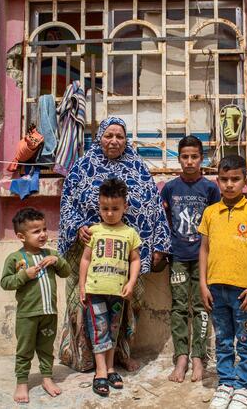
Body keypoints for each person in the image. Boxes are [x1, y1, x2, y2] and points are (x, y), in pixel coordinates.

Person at [58, 116, 171, 373]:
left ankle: (121, 354)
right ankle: (85, 356)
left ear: (126, 140)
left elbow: (154, 207)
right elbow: (67, 205)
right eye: (109, 135)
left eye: (120, 136)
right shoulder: (82, 167)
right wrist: (78, 227)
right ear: (99, 138)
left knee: (126, 303)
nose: (114, 141)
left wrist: (159, 245)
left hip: (128, 250)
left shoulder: (138, 168)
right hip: (91, 251)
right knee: (87, 303)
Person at [199, 155, 247, 409]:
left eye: (235, 179)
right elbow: (204, 250)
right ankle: (226, 383)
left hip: (243, 291)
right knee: (222, 339)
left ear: (245, 180)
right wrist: (203, 284)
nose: (229, 184)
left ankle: (244, 387)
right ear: (217, 180)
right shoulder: (210, 213)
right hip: (215, 289)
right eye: (224, 179)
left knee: (246, 340)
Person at [161, 135, 220, 383]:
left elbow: (216, 225)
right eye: (184, 156)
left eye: (194, 156)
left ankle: (198, 358)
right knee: (178, 307)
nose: (189, 161)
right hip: (178, 257)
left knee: (201, 307)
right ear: (178, 159)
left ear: (202, 159)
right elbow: (165, 222)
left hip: (203, 259)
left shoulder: (210, 189)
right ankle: (181, 357)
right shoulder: (170, 188)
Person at [0, 207, 71, 404]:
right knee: (25, 350)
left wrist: (57, 261)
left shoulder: (50, 254)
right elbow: (5, 282)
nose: (43, 234)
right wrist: (24, 275)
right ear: (21, 236)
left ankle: (47, 378)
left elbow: (66, 272)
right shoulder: (15, 259)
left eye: (44, 229)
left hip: (49, 312)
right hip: (28, 315)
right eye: (36, 231)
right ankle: (22, 382)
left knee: (46, 348)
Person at [79, 178, 142, 397]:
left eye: (115, 208)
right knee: (99, 330)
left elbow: (135, 260)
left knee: (113, 330)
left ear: (125, 207)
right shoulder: (94, 231)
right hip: (95, 291)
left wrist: (131, 283)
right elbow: (85, 260)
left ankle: (111, 367)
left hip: (117, 292)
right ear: (99, 206)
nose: (109, 213)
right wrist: (81, 287)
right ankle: (100, 372)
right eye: (105, 208)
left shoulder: (130, 233)